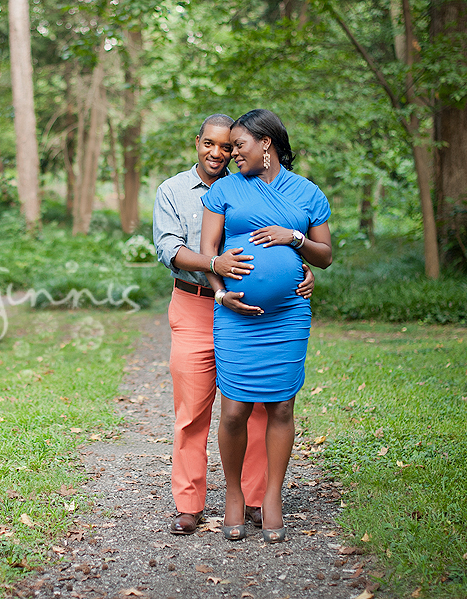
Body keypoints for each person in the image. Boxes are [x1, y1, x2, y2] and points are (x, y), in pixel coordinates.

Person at [153, 113, 315, 535]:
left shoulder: (246, 185)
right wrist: (214, 266)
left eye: (227, 146)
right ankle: (189, 503)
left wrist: (298, 268)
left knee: (257, 406)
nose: (218, 153)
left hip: (255, 313)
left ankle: (256, 499)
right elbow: (170, 248)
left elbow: (292, 238)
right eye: (210, 144)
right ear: (197, 142)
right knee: (194, 410)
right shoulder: (173, 190)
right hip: (196, 305)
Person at [200, 109, 332, 543]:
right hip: (236, 317)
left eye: (239, 145)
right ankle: (234, 494)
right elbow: (208, 253)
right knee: (234, 409)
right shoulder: (224, 190)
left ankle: (272, 495)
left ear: (266, 144)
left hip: (288, 316)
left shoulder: (308, 193)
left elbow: (324, 255)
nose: (232, 153)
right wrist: (221, 294)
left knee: (282, 407)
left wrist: (292, 238)